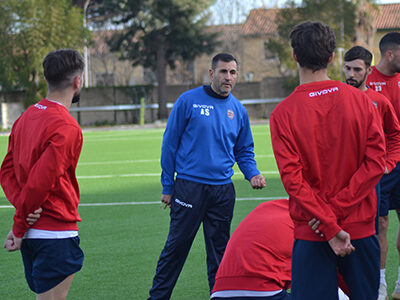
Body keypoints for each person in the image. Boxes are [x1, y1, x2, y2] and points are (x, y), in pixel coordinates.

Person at [269, 21, 386, 300]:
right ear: (333, 57)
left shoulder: (282, 114)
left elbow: (292, 181)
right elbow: (376, 163)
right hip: (355, 227)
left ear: (295, 56)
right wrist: (335, 217)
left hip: (313, 229)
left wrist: (328, 221)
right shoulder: (361, 102)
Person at [148, 53, 266, 300]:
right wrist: (167, 186)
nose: (228, 77)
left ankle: (219, 296)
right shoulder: (188, 101)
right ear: (212, 74)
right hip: (190, 188)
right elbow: (169, 145)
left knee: (220, 253)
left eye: (233, 72)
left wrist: (252, 173)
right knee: (176, 249)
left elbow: (244, 151)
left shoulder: (238, 110)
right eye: (223, 72)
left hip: (222, 192)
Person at [1, 49, 85, 300]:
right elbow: (39, 184)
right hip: (54, 232)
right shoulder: (66, 126)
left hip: (32, 233)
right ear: (77, 81)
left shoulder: (26, 116)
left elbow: (6, 171)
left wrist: (22, 213)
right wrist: (18, 226)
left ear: (47, 78)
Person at [211, 199, 349, 300]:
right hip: (264, 292)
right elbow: (337, 273)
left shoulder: (268, 207)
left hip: (219, 293)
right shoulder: (313, 225)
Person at [343, 45, 400, 238]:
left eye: (357, 70)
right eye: (347, 68)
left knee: (371, 231)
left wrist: (388, 163)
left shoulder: (379, 101)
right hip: (342, 178)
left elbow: (395, 136)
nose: (351, 74)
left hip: (372, 178)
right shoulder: (336, 98)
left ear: (369, 70)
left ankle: (379, 270)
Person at [366, 32, 400, 300]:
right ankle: (380, 286)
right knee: (381, 224)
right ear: (390, 54)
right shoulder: (368, 81)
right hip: (382, 167)